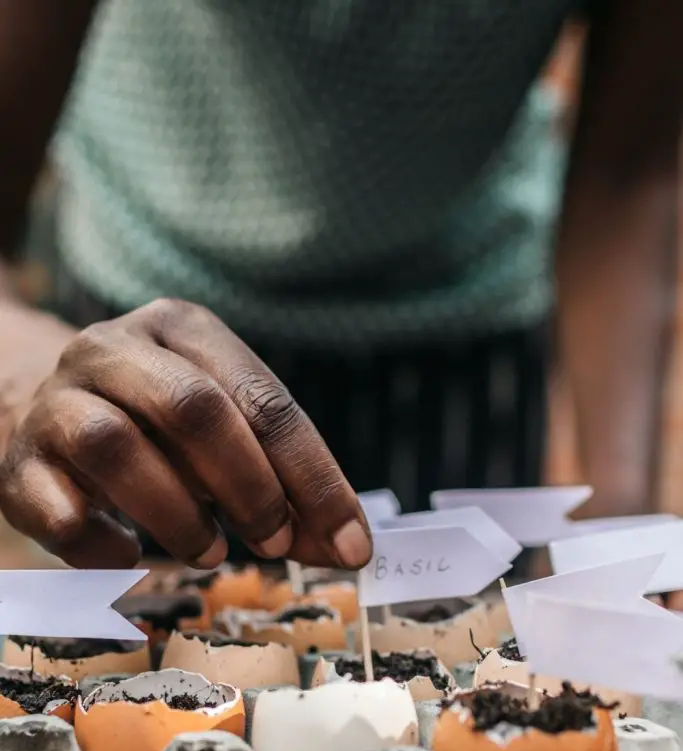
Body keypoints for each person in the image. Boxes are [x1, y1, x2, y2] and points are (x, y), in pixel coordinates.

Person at [0, 0, 680, 572]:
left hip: (457, 336)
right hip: (140, 346)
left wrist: (618, 517)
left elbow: (625, 175)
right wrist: (27, 378)